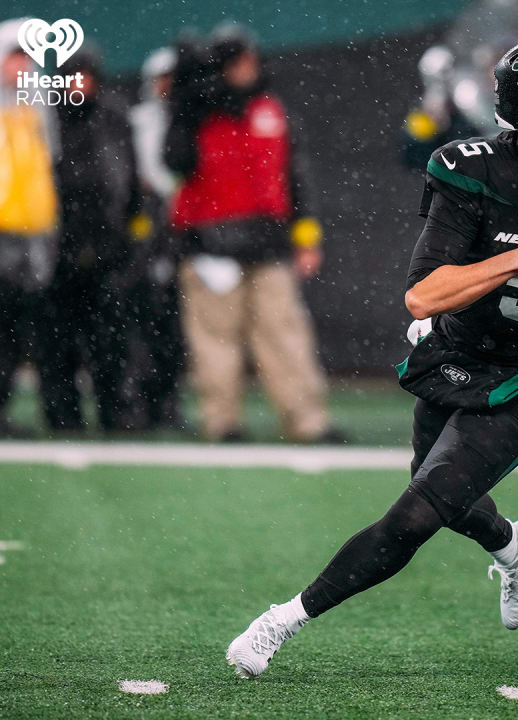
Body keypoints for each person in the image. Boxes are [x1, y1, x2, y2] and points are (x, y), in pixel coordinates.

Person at [225, 36, 518, 679]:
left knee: (419, 511)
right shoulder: (472, 169)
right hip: (457, 350)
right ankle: (513, 543)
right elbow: (422, 296)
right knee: (437, 489)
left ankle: (284, 619)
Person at [165, 25, 341, 443]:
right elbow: (175, 161)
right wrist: (183, 103)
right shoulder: (196, 112)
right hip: (209, 245)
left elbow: (296, 179)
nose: (246, 68)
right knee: (215, 341)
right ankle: (221, 421)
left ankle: (306, 421)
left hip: (268, 241)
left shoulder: (271, 109)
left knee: (284, 336)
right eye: (236, 61)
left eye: (250, 59)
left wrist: (307, 238)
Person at [41, 46, 144, 433]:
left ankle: (116, 413)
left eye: (86, 76)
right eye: (72, 76)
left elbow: (131, 187)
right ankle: (62, 416)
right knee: (59, 342)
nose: (79, 84)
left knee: (112, 342)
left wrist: (131, 241)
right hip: (58, 252)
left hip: (108, 252)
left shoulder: (116, 118)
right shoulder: (46, 118)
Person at [0, 18, 57, 437]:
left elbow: (45, 168)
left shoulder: (37, 105)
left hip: (29, 236)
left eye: (27, 57)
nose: (21, 66)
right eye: (14, 56)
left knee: (17, 330)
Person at [127, 47, 185, 430]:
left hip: (182, 229)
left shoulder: (191, 121)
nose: (167, 86)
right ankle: (136, 402)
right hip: (142, 228)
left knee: (175, 323)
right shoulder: (136, 121)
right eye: (162, 77)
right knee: (138, 318)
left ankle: (168, 402)